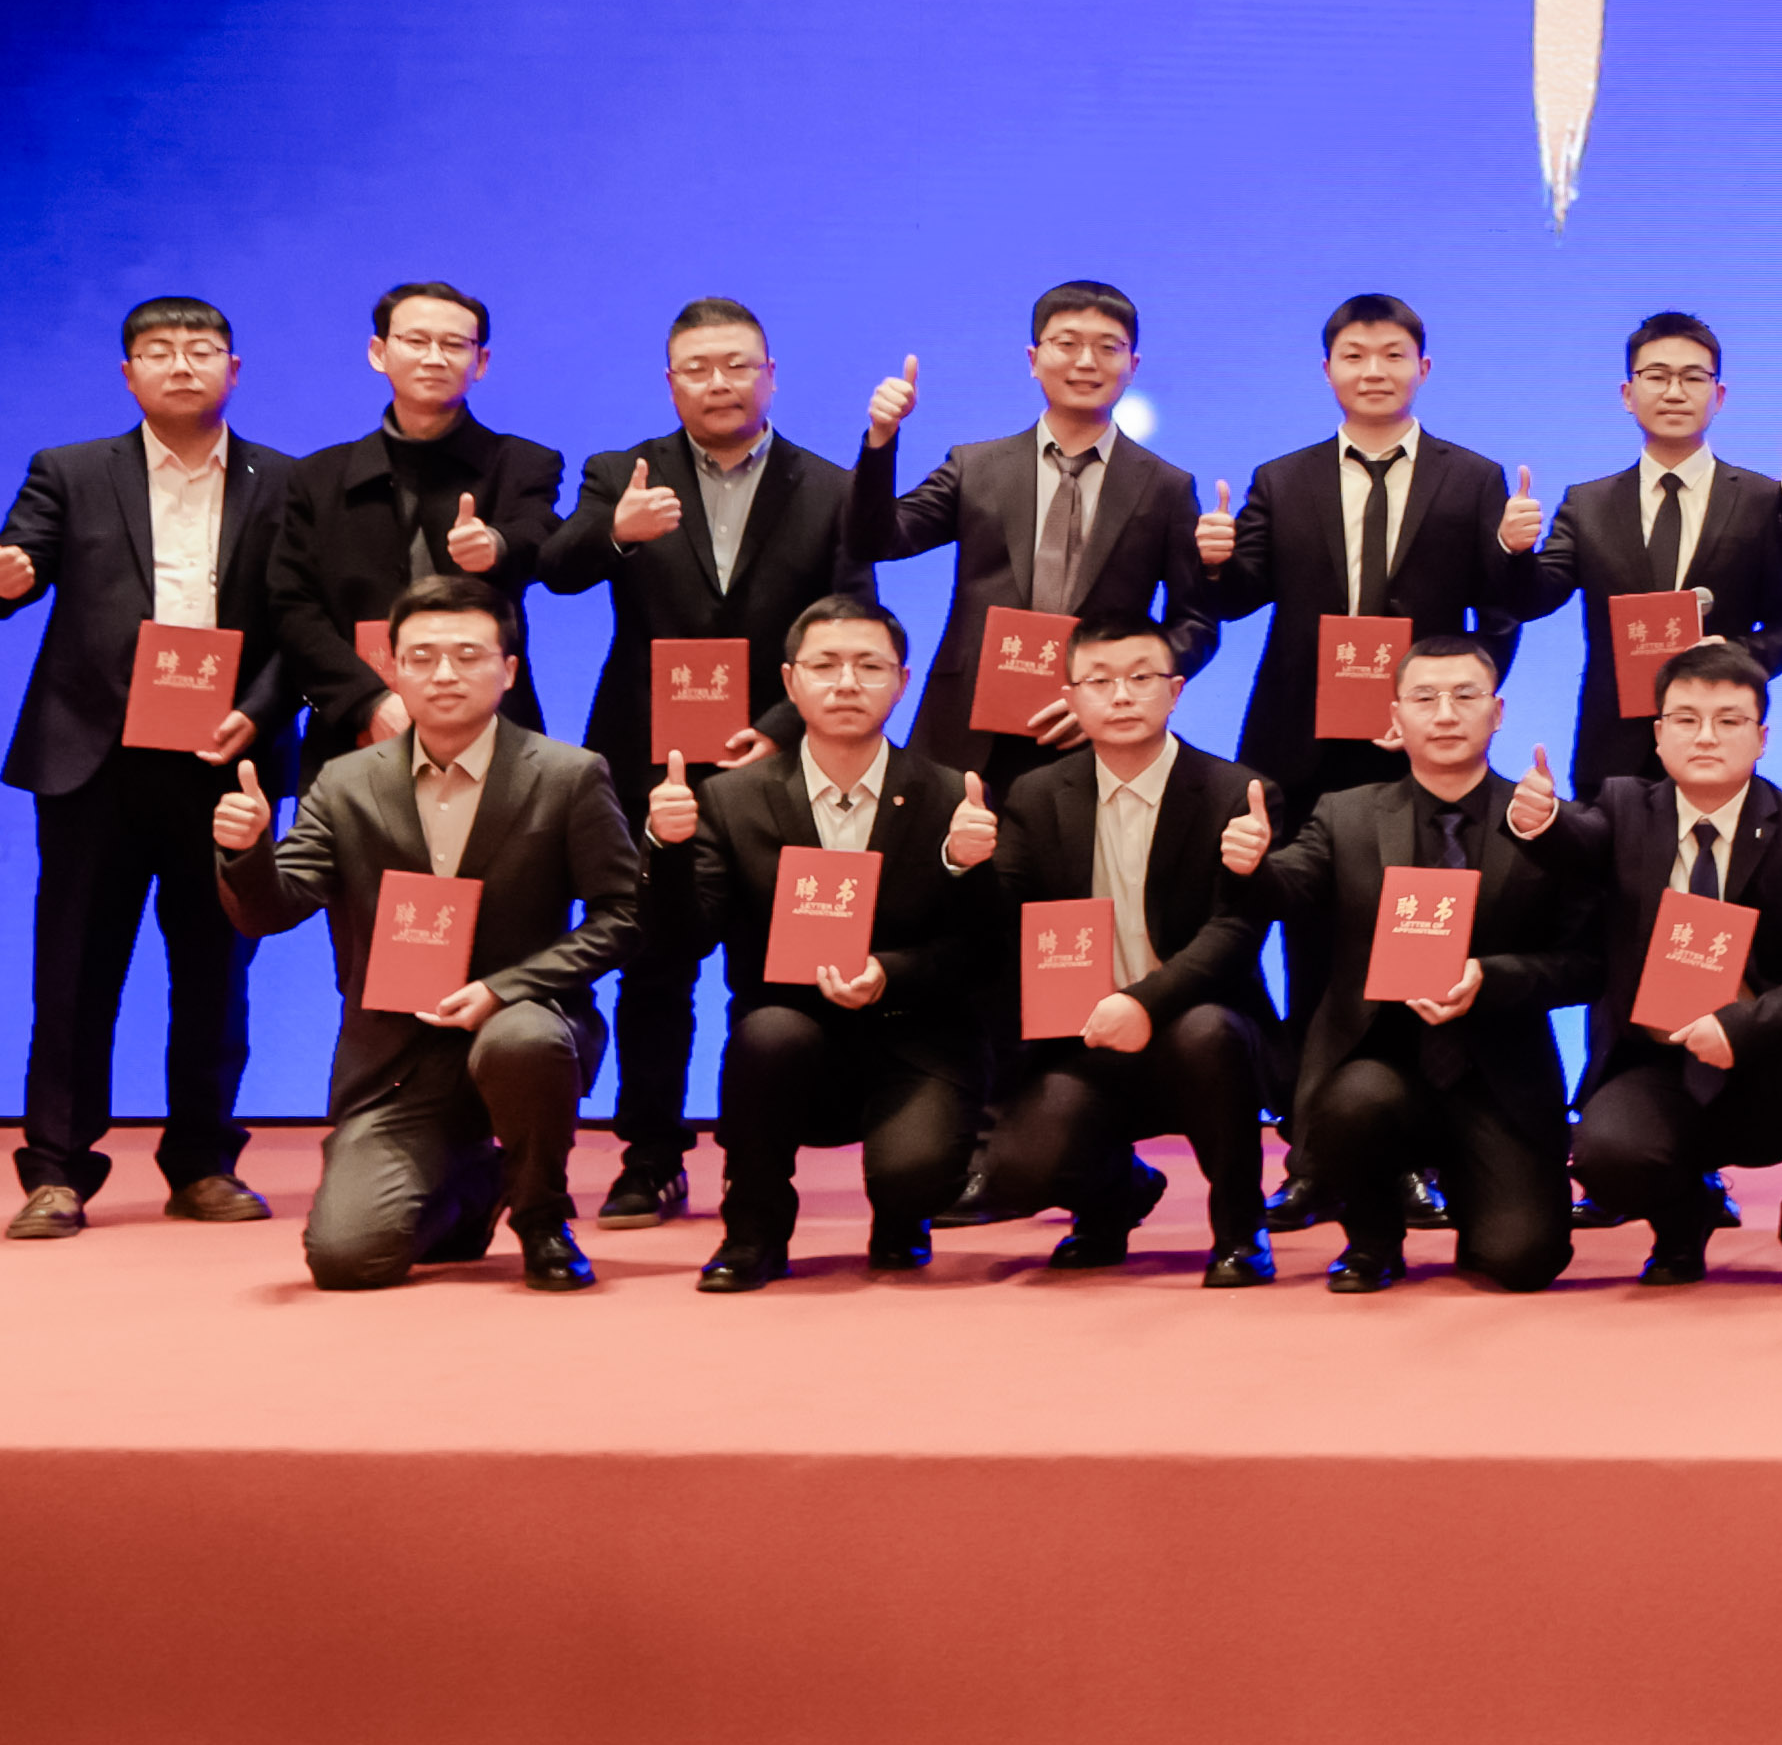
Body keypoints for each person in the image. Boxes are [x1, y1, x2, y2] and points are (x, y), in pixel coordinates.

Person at [533, 296, 909, 1225]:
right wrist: (617, 531)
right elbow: (559, 568)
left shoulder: (829, 486)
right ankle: (650, 1156)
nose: (719, 382)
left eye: (738, 365)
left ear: (770, 375)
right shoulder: (622, 471)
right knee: (652, 965)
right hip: (648, 761)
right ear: (671, 382)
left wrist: (780, 724)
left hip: (779, 763)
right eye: (698, 368)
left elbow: (852, 612)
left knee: (766, 968)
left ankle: (756, 1158)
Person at [212, 576, 641, 1291]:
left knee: (523, 1039)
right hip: (398, 1056)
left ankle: (541, 1217)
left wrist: (505, 989)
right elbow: (271, 910)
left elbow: (623, 915)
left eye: (468, 655)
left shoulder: (568, 775)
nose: (444, 674)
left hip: (520, 1029)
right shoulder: (344, 783)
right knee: (347, 1259)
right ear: (394, 670)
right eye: (422, 657)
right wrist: (246, 850)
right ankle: (476, 1185)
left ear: (509, 669)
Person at [0, 294, 292, 1241]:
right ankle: (56, 1170)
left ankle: (203, 1161)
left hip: (223, 757)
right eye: (158, 351)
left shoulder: (284, 480)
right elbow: (10, 571)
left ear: (235, 368)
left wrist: (258, 711)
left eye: (202, 349)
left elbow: (301, 619)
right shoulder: (68, 471)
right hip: (94, 759)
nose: (181, 365)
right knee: (74, 969)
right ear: (127, 374)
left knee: (215, 969)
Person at [651, 593, 1005, 1289]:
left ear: (902, 682)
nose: (847, 682)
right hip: (791, 1033)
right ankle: (752, 1231)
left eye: (870, 666)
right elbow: (683, 939)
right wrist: (665, 851)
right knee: (769, 1035)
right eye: (826, 665)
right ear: (790, 682)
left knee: (916, 1179)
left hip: (914, 1034)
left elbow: (983, 951)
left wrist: (905, 951)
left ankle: (903, 1215)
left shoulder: (951, 796)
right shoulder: (731, 798)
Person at [1247, 635, 1595, 1292]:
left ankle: (1475, 1191)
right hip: (1381, 1066)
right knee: (1356, 1099)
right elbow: (1284, 890)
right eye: (1425, 698)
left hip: (1498, 1077)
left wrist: (1493, 976)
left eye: (1465, 696)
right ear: (1395, 717)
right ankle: (1373, 1240)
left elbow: (1586, 964)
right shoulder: (1346, 814)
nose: (1445, 714)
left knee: (1524, 1259)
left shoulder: (1545, 823)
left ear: (1498, 712)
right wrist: (1251, 866)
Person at [1532, 637, 1782, 1291]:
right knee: (1605, 1153)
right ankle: (1682, 1222)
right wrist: (1542, 819)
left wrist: (1740, 1025)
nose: (1706, 736)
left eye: (1729, 720)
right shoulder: (1622, 806)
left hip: (1769, 1061)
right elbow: (1576, 840)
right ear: (1658, 734)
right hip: (1657, 1063)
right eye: (1686, 719)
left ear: (1762, 737)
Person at [976, 610, 1280, 1281]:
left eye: (1141, 678)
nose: (1120, 696)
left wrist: (1143, 1002)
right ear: (1071, 697)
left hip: (1199, 1024)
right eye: (1100, 680)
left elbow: (1234, 933)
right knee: (1019, 1171)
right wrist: (963, 863)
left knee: (1208, 1034)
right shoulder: (1036, 794)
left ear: (1175, 691)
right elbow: (1001, 922)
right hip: (1083, 1035)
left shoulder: (1237, 793)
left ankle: (1240, 1228)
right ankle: (1115, 1197)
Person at [1194, 292, 1548, 807]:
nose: (1374, 372)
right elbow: (1235, 599)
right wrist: (1214, 563)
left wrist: (1458, 695)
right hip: (1300, 731)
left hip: (1425, 730)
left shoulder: (1472, 478)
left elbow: (1502, 610)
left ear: (1423, 368)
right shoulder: (1282, 480)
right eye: (1354, 356)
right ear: (1327, 370)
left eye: (1393, 355)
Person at [885, 283, 1212, 777]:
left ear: (1132, 366)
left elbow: (1196, 622)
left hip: (1094, 734)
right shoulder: (977, 466)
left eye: (1108, 347)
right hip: (966, 725)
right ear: (1034, 359)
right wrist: (881, 441)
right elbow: (883, 538)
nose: (1086, 362)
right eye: (1067, 344)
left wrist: (1126, 689)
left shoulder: (1166, 487)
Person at [266, 279, 568, 770]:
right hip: (354, 732)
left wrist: (496, 544)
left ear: (481, 362)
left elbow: (543, 537)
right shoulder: (317, 477)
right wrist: (368, 702)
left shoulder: (523, 463)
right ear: (379, 352)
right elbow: (293, 607)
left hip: (492, 724)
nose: (434, 358)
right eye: (416, 341)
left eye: (454, 344)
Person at [1529, 309, 1782, 792]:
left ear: (1718, 396)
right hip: (1611, 754)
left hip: (1717, 745)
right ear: (1628, 394)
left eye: (1693, 377)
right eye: (1657, 376)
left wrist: (1734, 653)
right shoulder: (1587, 504)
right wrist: (1513, 548)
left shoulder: (1762, 500)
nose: (1675, 392)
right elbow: (1533, 597)